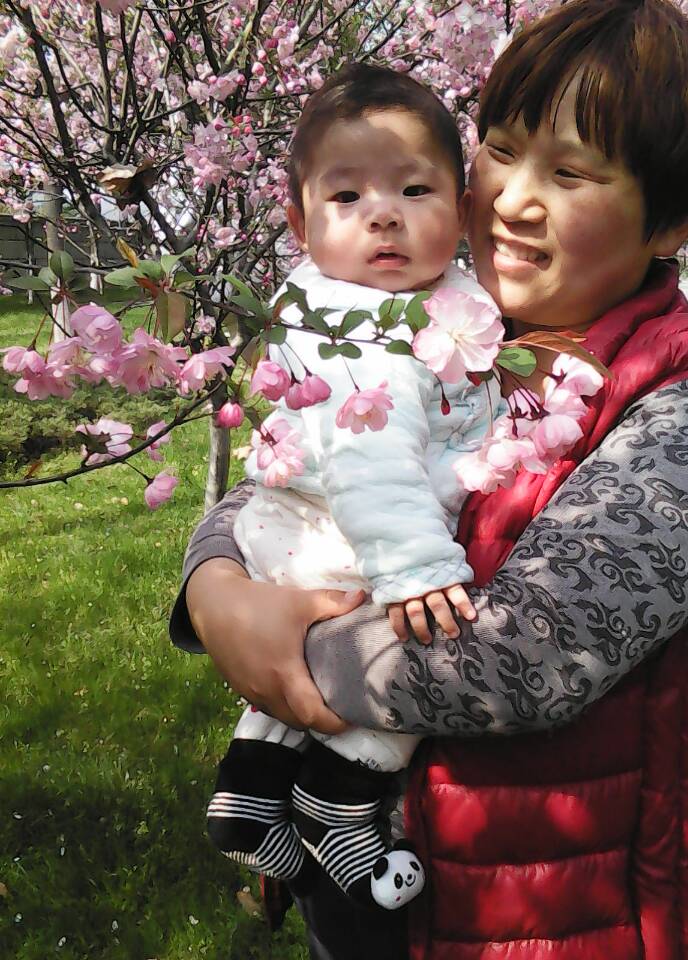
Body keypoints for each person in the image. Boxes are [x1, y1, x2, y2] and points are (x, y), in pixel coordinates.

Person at [170, 1, 688, 957]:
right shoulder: (445, 322)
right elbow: (298, 475)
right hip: (362, 884)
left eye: (571, 173)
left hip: (545, 914)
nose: (512, 200)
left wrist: (282, 651)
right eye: (500, 152)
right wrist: (215, 589)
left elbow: (527, 657)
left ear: (670, 220)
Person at [206, 63, 504, 912]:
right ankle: (340, 801)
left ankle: (248, 793)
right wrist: (416, 568)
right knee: (421, 643)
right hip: (347, 534)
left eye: (414, 189)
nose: (384, 214)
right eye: (347, 197)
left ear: (461, 209)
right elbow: (370, 455)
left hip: (307, 528)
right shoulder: (355, 328)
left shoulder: (435, 297)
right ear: (300, 224)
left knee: (299, 672)